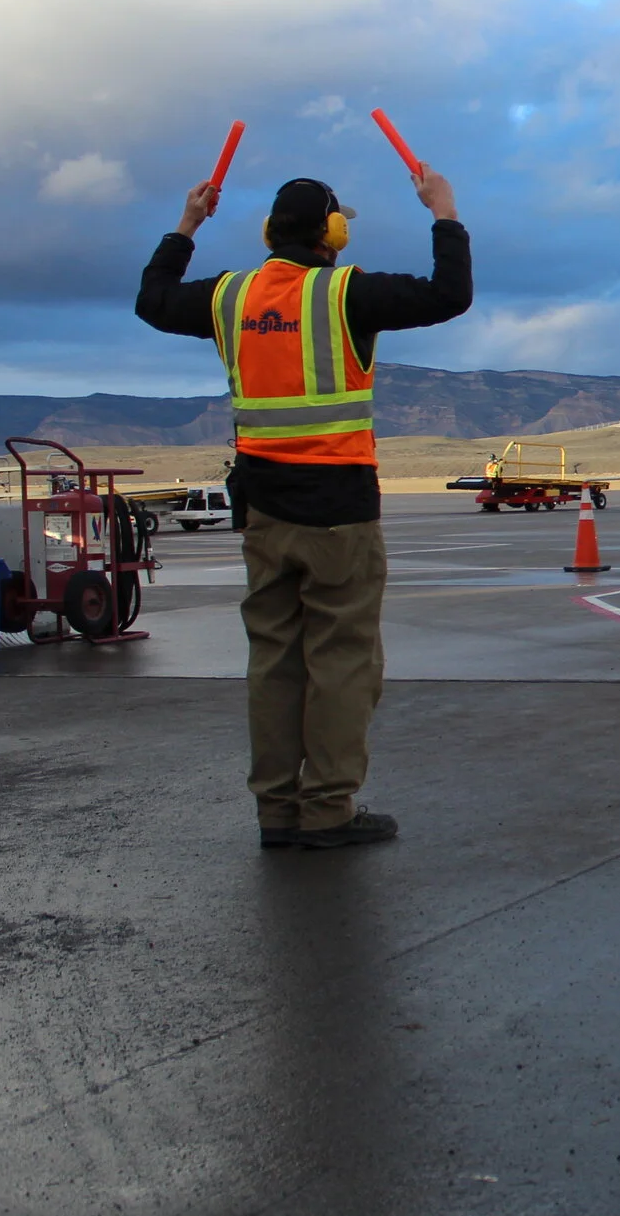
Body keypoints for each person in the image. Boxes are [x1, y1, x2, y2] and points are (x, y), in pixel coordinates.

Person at [137, 167, 471, 848]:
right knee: (342, 659)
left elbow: (153, 300)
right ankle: (326, 808)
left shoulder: (230, 297)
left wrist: (187, 224)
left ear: (269, 233)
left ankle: (276, 810)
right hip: (338, 510)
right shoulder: (345, 293)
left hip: (263, 510)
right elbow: (449, 294)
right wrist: (444, 212)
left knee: (274, 661)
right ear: (332, 234)